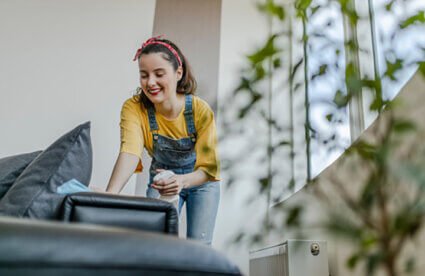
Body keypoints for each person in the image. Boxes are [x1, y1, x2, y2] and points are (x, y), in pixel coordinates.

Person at [106, 36, 220, 246]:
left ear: (179, 73)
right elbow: (130, 152)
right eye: (144, 75)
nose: (150, 83)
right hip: (161, 182)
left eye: (159, 74)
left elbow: (209, 169)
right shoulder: (134, 108)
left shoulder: (199, 110)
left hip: (200, 183)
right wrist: (109, 196)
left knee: (200, 247)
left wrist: (182, 180)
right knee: (154, 242)